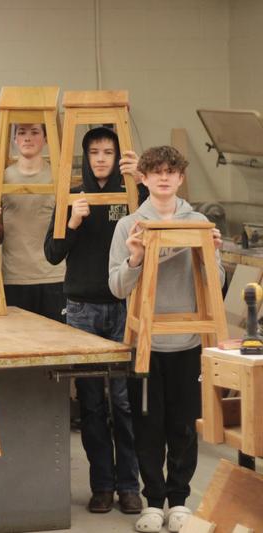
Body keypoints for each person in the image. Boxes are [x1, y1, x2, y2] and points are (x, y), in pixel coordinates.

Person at [108, 146, 224, 533]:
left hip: (187, 344)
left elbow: (217, 284)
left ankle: (179, 501)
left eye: (170, 171)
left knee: (183, 426)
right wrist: (136, 259)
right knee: (147, 426)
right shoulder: (129, 225)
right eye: (155, 171)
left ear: (180, 178)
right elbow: (116, 287)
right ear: (142, 178)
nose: (163, 177)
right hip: (146, 348)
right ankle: (152, 502)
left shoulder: (200, 222)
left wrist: (212, 255)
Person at [44, 127, 143, 515]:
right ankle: (101, 485)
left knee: (124, 401)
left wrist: (142, 182)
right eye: (95, 152)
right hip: (82, 308)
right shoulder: (72, 195)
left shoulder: (132, 194)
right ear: (85, 156)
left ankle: (129, 486)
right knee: (90, 403)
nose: (101, 158)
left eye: (108, 151)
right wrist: (72, 222)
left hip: (124, 306)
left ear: (119, 156)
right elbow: (52, 254)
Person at [0, 123, 66, 320]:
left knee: (56, 344)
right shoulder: (1, 179)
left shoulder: (59, 177)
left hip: (54, 276)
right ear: (15, 139)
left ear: (45, 139)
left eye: (34, 132)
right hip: (15, 278)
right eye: (22, 132)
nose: (28, 138)